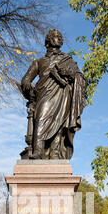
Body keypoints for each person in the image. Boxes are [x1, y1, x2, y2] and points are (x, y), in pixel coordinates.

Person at [20, 29, 86, 160]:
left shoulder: (67, 60)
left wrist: (67, 73)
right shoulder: (39, 62)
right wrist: (27, 84)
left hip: (63, 95)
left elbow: (80, 77)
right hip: (44, 94)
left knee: (60, 124)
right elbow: (26, 79)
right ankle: (38, 150)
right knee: (41, 119)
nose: (60, 38)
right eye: (56, 36)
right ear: (48, 41)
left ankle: (55, 153)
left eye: (60, 37)